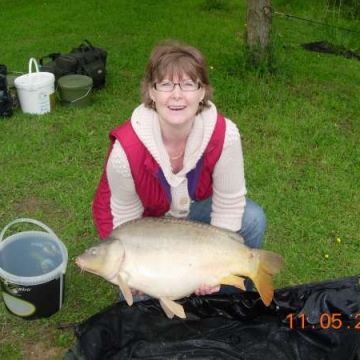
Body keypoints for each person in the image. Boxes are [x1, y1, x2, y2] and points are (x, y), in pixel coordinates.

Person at [92, 40, 267, 298]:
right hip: (147, 226)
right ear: (151, 92)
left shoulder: (224, 134)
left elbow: (229, 204)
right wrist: (136, 269)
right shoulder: (125, 151)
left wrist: (214, 269)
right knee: (136, 297)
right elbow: (128, 224)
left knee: (252, 219)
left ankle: (232, 296)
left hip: (194, 214)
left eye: (188, 84)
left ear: (202, 93)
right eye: (165, 84)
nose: (177, 95)